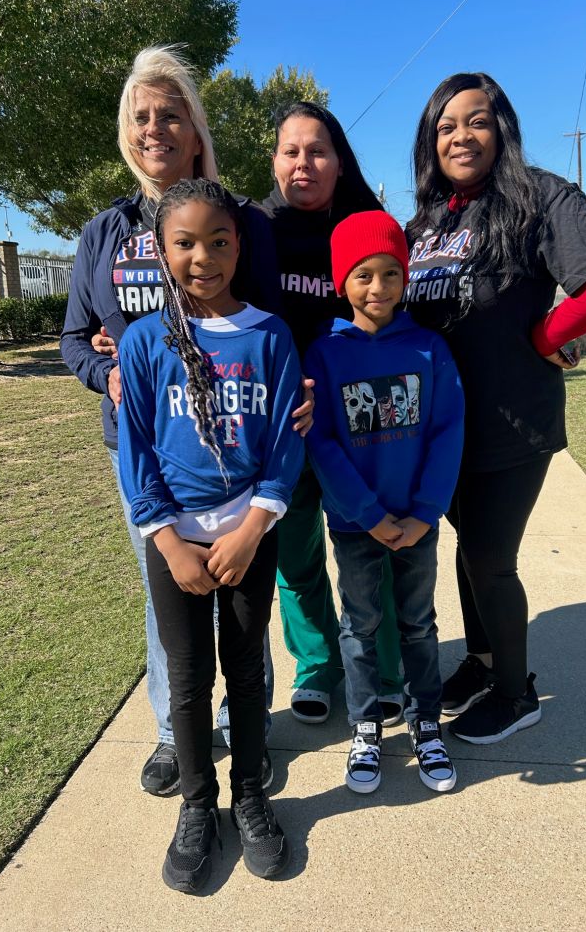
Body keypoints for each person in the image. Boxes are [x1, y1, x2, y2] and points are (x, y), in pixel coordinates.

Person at [60, 46, 305, 796]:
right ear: (126, 131)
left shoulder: (244, 220)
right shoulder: (104, 233)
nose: (154, 128)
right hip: (146, 443)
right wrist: (107, 374)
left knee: (242, 591)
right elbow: (74, 340)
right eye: (140, 116)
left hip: (237, 440)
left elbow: (268, 325)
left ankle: (245, 722)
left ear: (196, 130)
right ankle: (176, 731)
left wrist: (301, 389)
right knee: (165, 582)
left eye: (171, 114)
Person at [405, 72, 586, 745]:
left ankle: (515, 693)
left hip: (512, 420)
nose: (461, 136)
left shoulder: (538, 196)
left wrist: (551, 335)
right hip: (445, 427)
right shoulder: (428, 221)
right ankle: (482, 662)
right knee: (469, 547)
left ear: (501, 128)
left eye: (476, 121)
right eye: (446, 126)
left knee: (490, 557)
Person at [118, 178, 303, 892]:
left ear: (239, 246)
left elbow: (284, 443)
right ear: (161, 251)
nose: (204, 257)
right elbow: (136, 450)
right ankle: (198, 805)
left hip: (248, 537)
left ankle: (250, 794)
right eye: (185, 243)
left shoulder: (269, 334)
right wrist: (168, 543)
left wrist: (253, 529)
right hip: (176, 545)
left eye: (219, 241)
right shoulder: (144, 341)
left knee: (248, 671)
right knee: (190, 678)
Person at [305, 211, 464, 794]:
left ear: (405, 278)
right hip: (356, 524)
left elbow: (447, 430)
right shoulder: (325, 353)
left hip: (417, 523)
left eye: (391, 273)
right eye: (363, 274)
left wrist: (425, 512)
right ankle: (367, 727)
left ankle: (426, 723)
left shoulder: (429, 348)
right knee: (360, 626)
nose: (378, 287)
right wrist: (369, 515)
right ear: (341, 282)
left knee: (419, 624)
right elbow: (321, 441)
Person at [263, 102, 404, 725]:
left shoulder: (370, 226)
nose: (304, 163)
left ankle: (385, 669)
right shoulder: (254, 229)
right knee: (296, 558)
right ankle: (317, 664)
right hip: (284, 426)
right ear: (274, 160)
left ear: (339, 160)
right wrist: (116, 334)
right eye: (291, 151)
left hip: (362, 425)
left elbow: (406, 314)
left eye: (317, 151)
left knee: (374, 549)